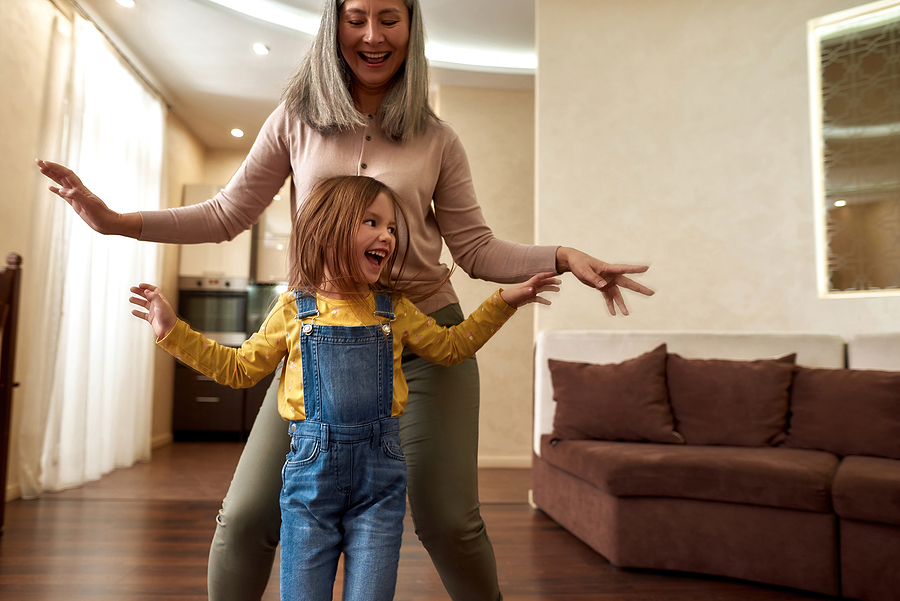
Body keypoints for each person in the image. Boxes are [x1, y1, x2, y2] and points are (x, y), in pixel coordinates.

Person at [37, 1, 654, 598]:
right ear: (335, 27)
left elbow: (477, 251)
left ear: (411, 28)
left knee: (447, 521)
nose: (372, 35)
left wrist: (564, 257)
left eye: (389, 18)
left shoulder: (437, 140)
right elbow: (227, 214)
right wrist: (117, 220)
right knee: (247, 517)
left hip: (423, 338)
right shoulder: (295, 119)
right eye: (355, 19)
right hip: (319, 340)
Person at [129, 175, 561, 600]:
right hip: (308, 487)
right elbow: (238, 370)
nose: (387, 236)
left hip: (380, 487)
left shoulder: (396, 310)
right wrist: (172, 331)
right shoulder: (293, 310)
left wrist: (505, 301)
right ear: (327, 229)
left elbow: (451, 349)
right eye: (372, 223)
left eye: (392, 227)